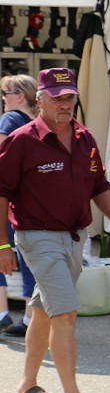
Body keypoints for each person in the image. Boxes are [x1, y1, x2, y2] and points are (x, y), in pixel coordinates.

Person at [0, 67, 110, 393]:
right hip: (36, 237)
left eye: (70, 97)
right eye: (57, 98)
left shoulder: (84, 137)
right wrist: (1, 246)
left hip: (76, 238)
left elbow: (99, 185)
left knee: (44, 309)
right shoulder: (22, 140)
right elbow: (1, 193)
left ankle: (27, 385)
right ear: (39, 98)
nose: (65, 104)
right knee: (65, 313)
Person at [0, 74, 39, 337]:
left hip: (6, 196)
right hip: (27, 198)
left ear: (20, 96)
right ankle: (27, 317)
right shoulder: (37, 123)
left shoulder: (10, 119)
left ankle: (2, 312)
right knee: (27, 258)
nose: (3, 98)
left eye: (6, 92)